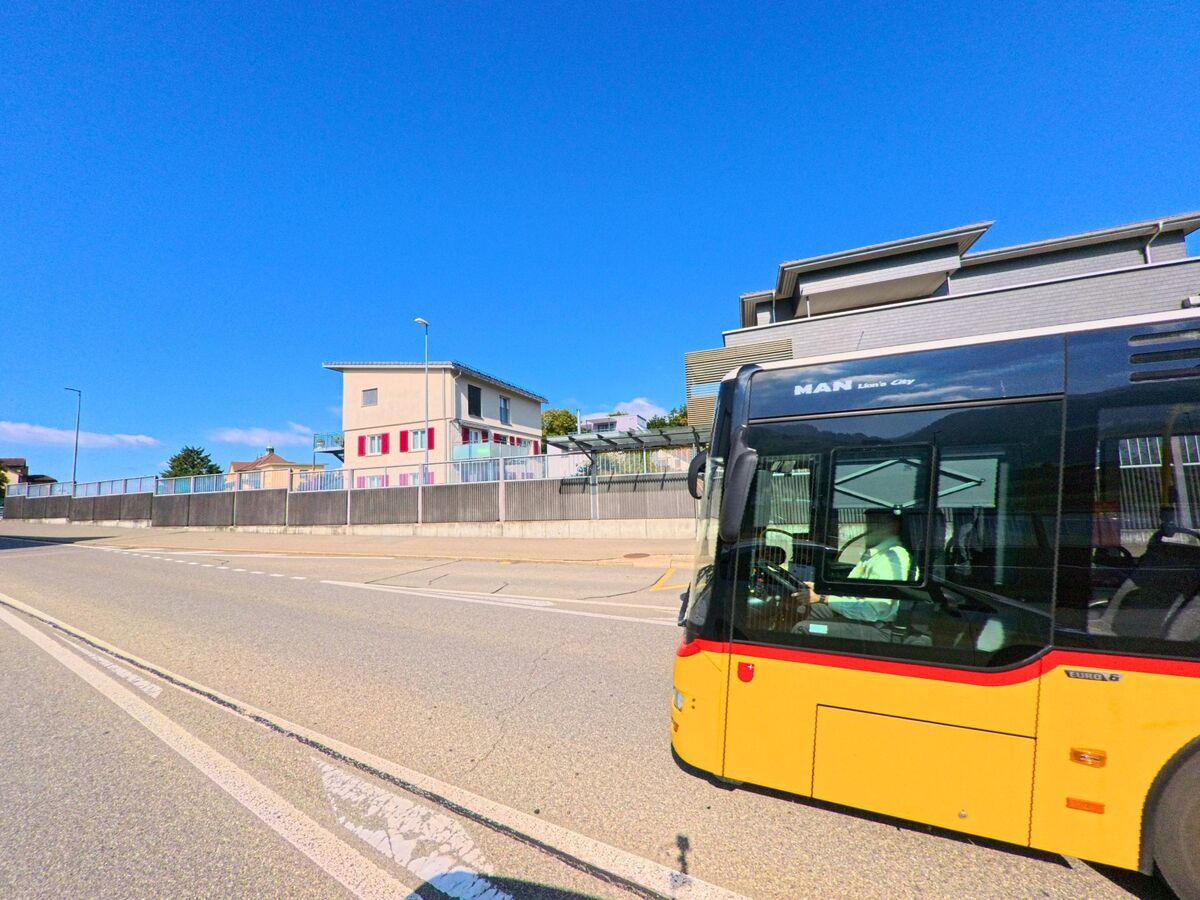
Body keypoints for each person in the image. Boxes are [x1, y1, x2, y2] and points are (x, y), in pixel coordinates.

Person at [796, 509, 912, 640]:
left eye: (875, 524)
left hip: (878, 628)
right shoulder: (875, 554)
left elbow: (872, 611)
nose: (868, 529)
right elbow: (853, 590)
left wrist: (824, 598)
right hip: (865, 620)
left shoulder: (890, 559)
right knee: (813, 608)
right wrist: (821, 590)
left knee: (804, 628)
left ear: (894, 526)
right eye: (868, 523)